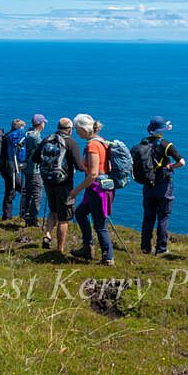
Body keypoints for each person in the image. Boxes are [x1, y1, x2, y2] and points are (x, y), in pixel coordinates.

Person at [33, 117, 85, 254]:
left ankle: (47, 234)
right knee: (64, 219)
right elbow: (79, 166)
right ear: (70, 130)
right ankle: (59, 249)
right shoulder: (71, 142)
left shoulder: (47, 139)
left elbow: (35, 158)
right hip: (64, 184)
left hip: (48, 181)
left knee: (53, 210)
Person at [69, 113, 116, 266]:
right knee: (80, 213)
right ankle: (87, 247)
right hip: (101, 188)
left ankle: (108, 257)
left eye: (78, 130)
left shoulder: (92, 146)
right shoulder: (102, 141)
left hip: (97, 190)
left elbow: (93, 174)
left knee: (100, 225)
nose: (77, 133)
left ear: (84, 129)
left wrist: (76, 190)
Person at [138, 116, 186, 255]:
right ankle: (161, 249)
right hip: (163, 185)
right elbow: (182, 162)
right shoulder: (166, 145)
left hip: (148, 184)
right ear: (162, 131)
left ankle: (145, 247)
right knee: (163, 217)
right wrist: (170, 167)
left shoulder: (144, 143)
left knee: (148, 217)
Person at [21, 114, 47, 228]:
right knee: (37, 194)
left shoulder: (28, 133)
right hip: (34, 170)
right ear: (40, 123)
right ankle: (32, 219)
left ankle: (27, 217)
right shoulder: (35, 137)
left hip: (27, 169)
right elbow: (43, 151)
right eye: (43, 122)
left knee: (29, 193)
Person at [1, 119, 27, 220]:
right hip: (10, 167)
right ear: (19, 127)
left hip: (4, 167)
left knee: (9, 191)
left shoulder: (6, 136)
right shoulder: (14, 136)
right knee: (24, 190)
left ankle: (6, 216)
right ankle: (23, 214)